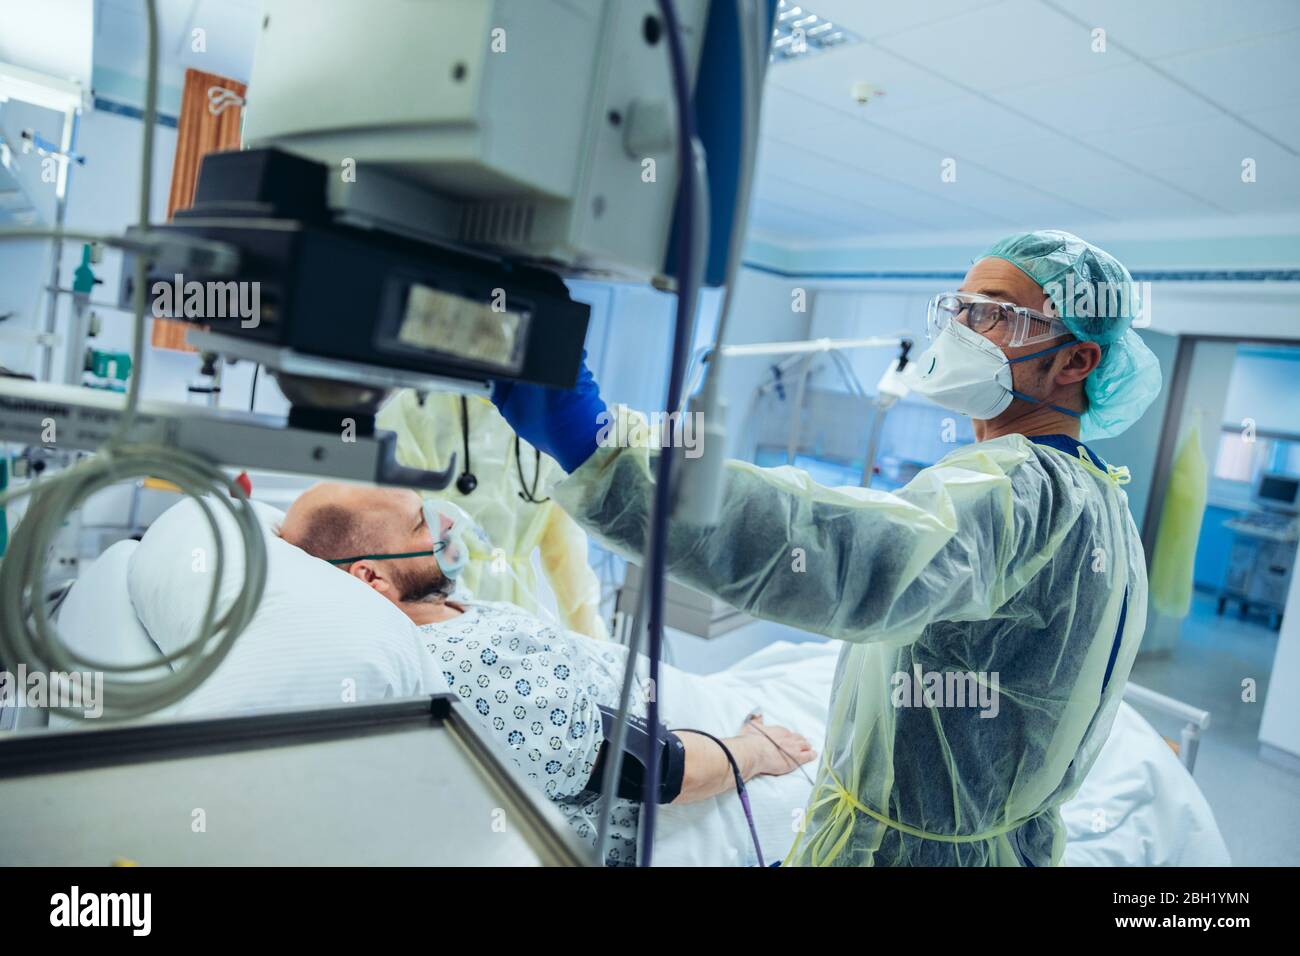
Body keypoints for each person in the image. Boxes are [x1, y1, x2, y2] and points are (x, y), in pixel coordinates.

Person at [491, 230, 1165, 866]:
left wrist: (603, 452)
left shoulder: (1020, 489)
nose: (960, 329)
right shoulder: (1093, 491)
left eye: (995, 316)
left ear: (1076, 360)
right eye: (957, 308)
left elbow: (845, 550)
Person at [277, 481, 815, 866]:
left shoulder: (439, 605)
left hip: (703, 704)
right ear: (372, 578)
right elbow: (660, 771)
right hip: (720, 783)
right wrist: (757, 749)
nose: (445, 523)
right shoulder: (468, 671)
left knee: (810, 661)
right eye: (422, 522)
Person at [377, 390, 609, 639]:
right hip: (429, 602)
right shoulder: (418, 405)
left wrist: (597, 648)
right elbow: (384, 528)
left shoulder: (550, 424)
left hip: (512, 616)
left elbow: (568, 562)